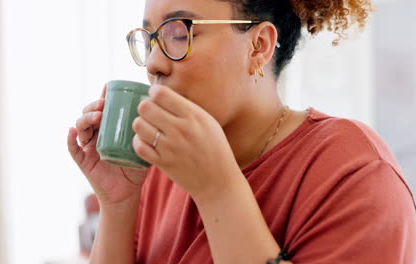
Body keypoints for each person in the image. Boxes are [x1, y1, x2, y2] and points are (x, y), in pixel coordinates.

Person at [67, 0, 416, 263]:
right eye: (151, 39)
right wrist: (117, 204)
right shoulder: (159, 169)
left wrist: (218, 190)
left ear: (259, 46)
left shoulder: (356, 175)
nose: (154, 63)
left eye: (180, 33)